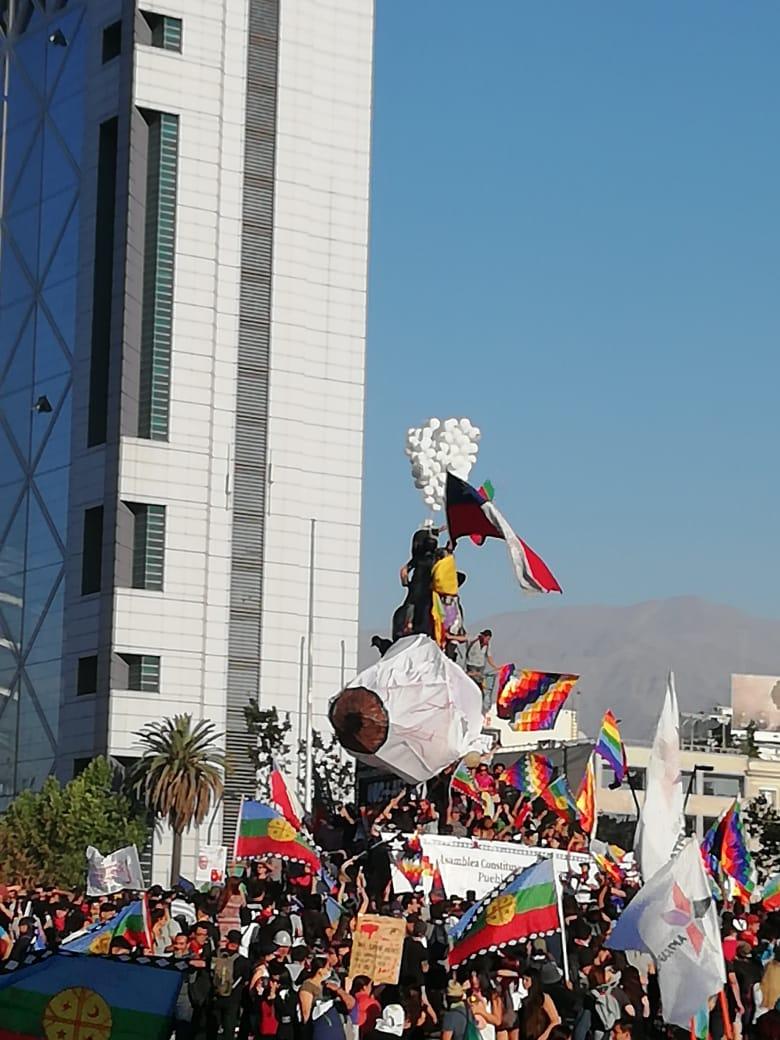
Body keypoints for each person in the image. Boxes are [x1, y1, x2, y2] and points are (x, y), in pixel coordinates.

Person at [209, 929, 250, 1040]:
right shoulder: (243, 961)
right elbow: (246, 981)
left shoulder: (216, 955)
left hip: (215, 996)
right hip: (233, 999)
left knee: (212, 1028)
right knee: (229, 1029)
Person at [465, 630, 499, 711]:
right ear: (483, 636)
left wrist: (495, 667)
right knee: (472, 684)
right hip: (471, 665)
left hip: (480, 667)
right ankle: (470, 704)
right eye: (487, 638)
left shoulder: (487, 645)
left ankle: (479, 706)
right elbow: (464, 638)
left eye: (489, 639)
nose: (488, 640)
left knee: (480, 686)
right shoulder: (475, 639)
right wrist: (451, 636)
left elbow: (489, 656)